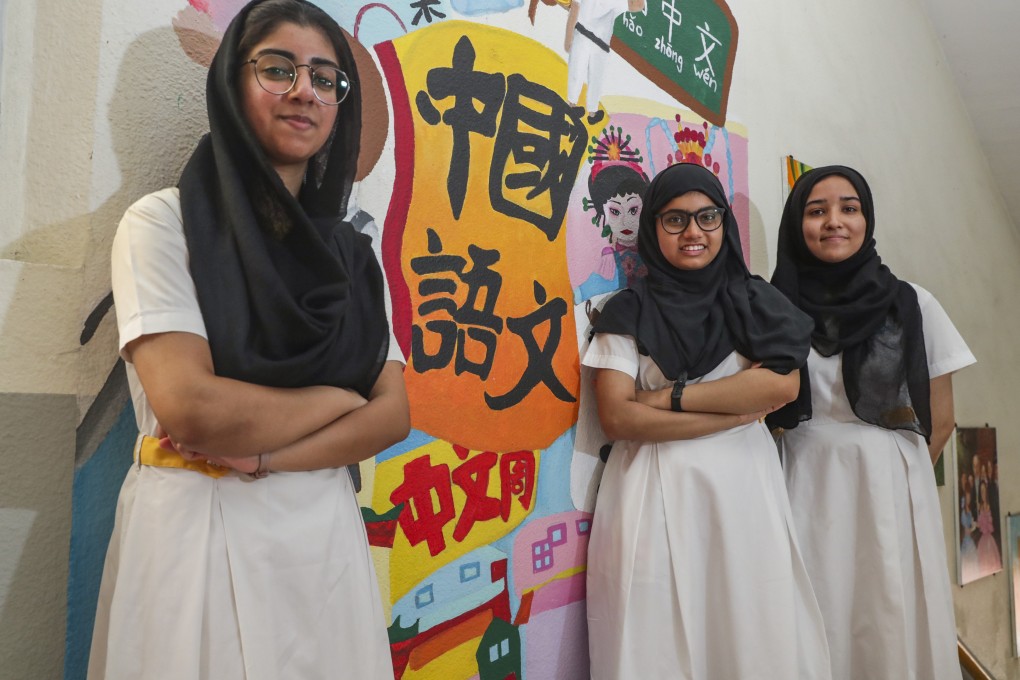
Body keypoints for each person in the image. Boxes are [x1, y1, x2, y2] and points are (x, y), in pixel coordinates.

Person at [88, 1, 409, 678]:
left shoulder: (352, 257)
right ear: (232, 85)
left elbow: (393, 416)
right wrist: (339, 401)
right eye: (278, 69)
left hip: (322, 542)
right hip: (196, 531)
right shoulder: (162, 225)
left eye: (326, 78)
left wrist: (265, 455)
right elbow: (193, 408)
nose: (305, 91)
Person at [583, 162, 831, 679]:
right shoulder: (625, 310)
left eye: (707, 217)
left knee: (745, 625)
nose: (693, 232)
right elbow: (618, 417)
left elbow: (781, 386)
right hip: (649, 490)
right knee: (655, 637)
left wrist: (663, 398)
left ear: (724, 222)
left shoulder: (756, 301)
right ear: (652, 228)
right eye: (674, 220)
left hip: (743, 491)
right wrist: (732, 415)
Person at [768, 165, 976, 680]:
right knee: (813, 612)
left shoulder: (913, 303)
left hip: (890, 485)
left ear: (867, 219)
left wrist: (899, 480)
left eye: (849, 208)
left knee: (887, 616)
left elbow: (942, 421)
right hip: (803, 480)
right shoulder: (774, 306)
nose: (834, 221)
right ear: (796, 223)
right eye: (816, 211)